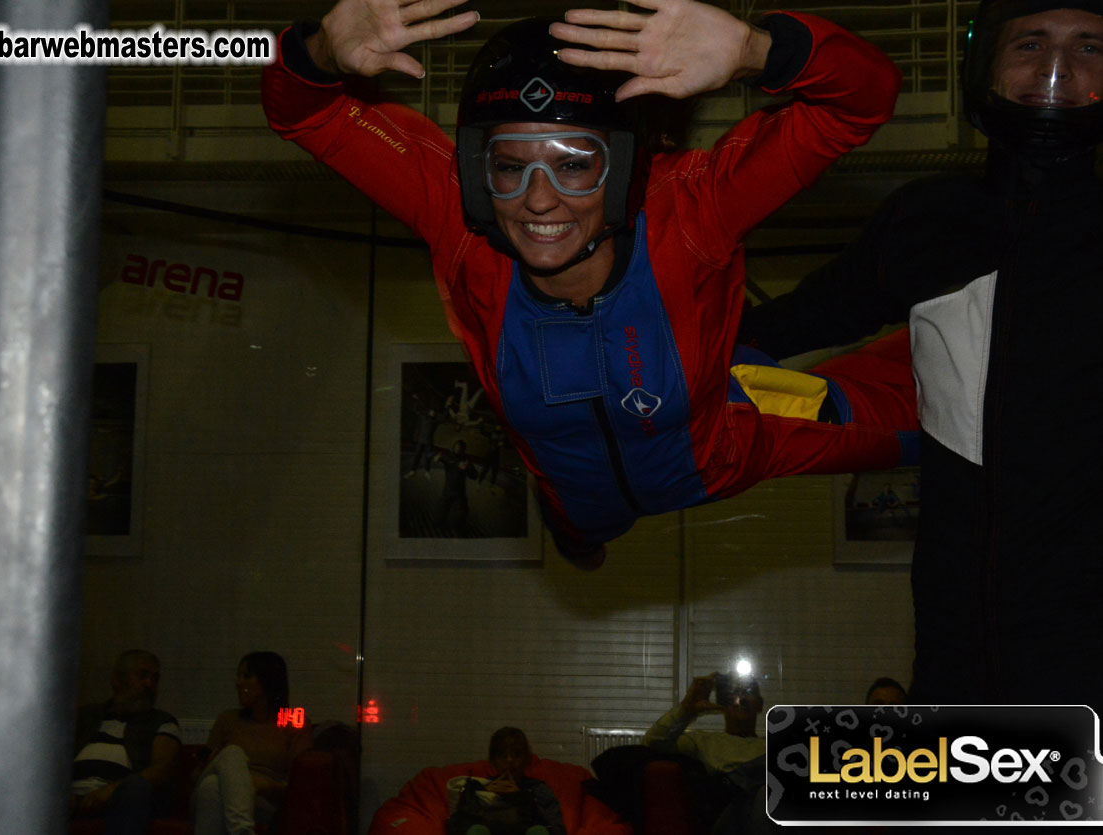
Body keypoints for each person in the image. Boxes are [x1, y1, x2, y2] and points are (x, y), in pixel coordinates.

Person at [263, 0, 917, 568]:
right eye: (509, 166)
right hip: (577, 503)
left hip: (723, 442)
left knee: (934, 424)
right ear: (476, 172)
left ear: (623, 166)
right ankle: (578, 539)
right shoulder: (457, 216)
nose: (537, 202)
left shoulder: (692, 211)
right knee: (580, 535)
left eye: (575, 164)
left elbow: (864, 99)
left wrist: (757, 50)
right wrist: (319, 48)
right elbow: (303, 114)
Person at [737, 0, 1103, 708]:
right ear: (983, 67)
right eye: (1029, 42)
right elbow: (784, 325)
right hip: (953, 633)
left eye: (1089, 45)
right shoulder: (929, 220)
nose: (1056, 67)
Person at [192, 651, 313, 835]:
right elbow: (196, 774)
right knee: (231, 754)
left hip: (261, 800)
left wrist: (263, 784)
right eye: (238, 676)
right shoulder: (228, 719)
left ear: (268, 681)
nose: (238, 683)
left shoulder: (293, 722)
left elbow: (300, 786)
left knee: (212, 787)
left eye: (246, 676)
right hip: (217, 784)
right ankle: (242, 831)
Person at [70, 649, 182, 834]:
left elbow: (162, 770)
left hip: (122, 797)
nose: (150, 684)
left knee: (136, 789)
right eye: (143, 675)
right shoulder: (86, 716)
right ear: (117, 680)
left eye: (155, 679)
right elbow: (51, 759)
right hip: (72, 796)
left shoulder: (162, 722)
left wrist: (109, 791)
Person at [644, 672, 767, 833]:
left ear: (759, 704)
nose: (741, 698)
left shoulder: (775, 745)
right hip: (729, 817)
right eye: (734, 693)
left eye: (748, 692)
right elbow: (652, 743)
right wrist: (687, 709)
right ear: (723, 702)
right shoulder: (703, 741)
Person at [445, 727, 565, 835]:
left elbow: (557, 829)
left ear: (526, 759)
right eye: (503, 755)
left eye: (516, 755)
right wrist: (486, 796)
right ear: (493, 761)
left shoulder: (538, 790)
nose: (509, 760)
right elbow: (456, 827)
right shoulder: (480, 788)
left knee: (538, 832)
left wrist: (521, 798)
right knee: (477, 830)